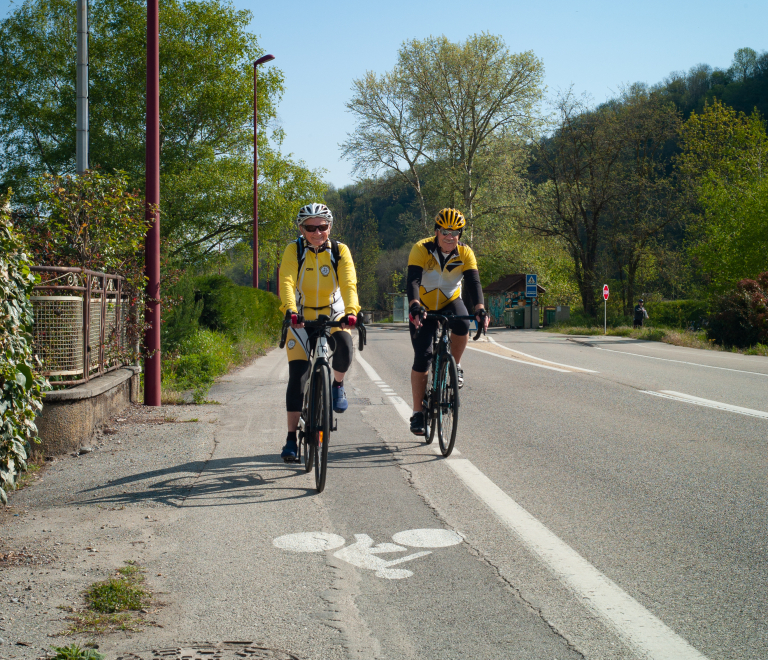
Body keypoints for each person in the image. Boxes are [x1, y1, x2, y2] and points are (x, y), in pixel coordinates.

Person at [278, 203, 361, 461]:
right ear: (301, 228)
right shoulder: (295, 249)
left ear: (329, 227)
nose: (317, 232)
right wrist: (290, 310)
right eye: (310, 227)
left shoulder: (339, 250)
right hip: (301, 314)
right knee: (298, 377)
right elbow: (287, 281)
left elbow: (348, 282)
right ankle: (291, 438)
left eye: (322, 227)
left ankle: (337, 385)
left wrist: (351, 311)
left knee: (345, 348)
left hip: (332, 310)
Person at [406, 208, 489, 436]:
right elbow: (412, 280)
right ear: (436, 232)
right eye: (445, 231)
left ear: (460, 234)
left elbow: (473, 283)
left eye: (455, 232)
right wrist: (414, 304)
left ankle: (457, 365)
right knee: (422, 357)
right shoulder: (421, 249)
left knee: (463, 324)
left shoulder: (465, 253)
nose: (450, 236)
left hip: (450, 300)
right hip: (422, 305)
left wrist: (480, 309)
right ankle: (417, 413)